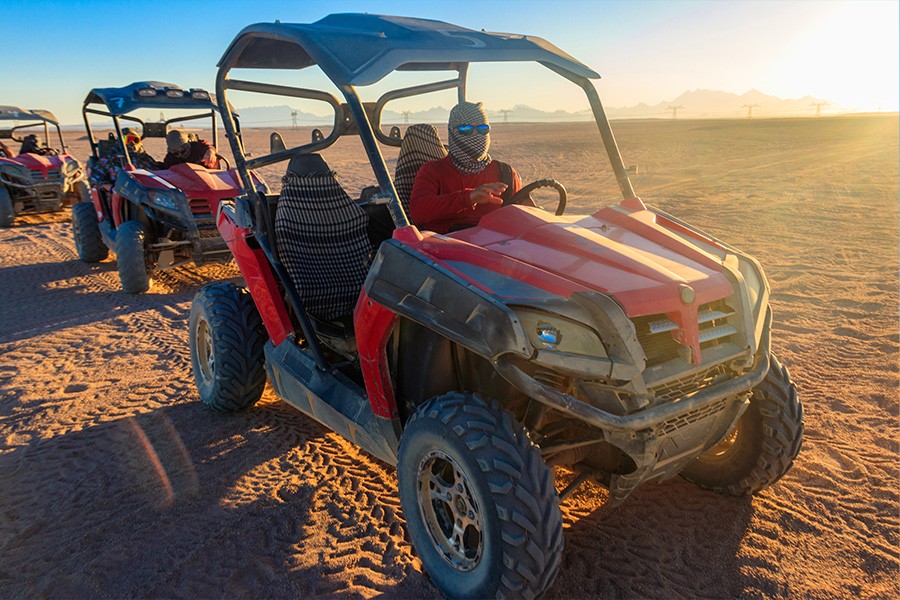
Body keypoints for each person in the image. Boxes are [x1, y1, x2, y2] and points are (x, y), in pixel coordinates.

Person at [409, 101, 521, 233]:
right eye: (466, 129)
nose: (476, 135)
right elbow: (418, 212)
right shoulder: (433, 170)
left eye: (482, 129)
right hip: (445, 247)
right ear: (452, 131)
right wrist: (468, 197)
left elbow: (523, 216)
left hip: (495, 247)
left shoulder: (505, 173)